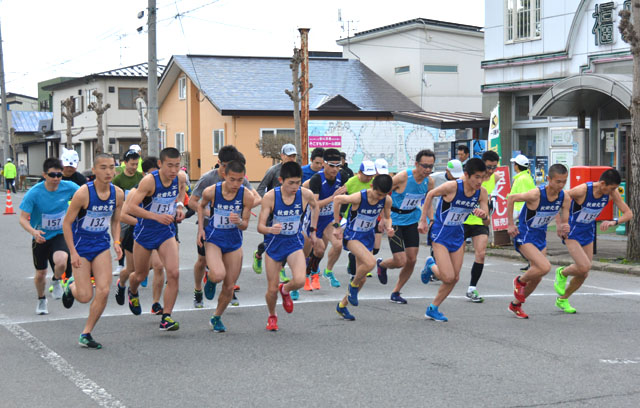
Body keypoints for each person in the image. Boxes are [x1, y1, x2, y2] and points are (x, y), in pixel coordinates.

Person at [61, 154, 124, 349]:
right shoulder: (83, 193)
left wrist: (117, 242)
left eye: (112, 167)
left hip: (100, 245)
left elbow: (115, 221)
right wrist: (73, 252)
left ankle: (86, 333)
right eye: (103, 168)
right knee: (85, 296)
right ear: (94, 170)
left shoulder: (118, 194)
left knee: (104, 290)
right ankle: (70, 286)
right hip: (80, 246)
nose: (108, 172)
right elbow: (67, 223)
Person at [188, 145, 260, 308]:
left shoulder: (240, 178)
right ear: (219, 163)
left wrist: (241, 212)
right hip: (209, 225)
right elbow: (192, 202)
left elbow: (256, 198)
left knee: (232, 260)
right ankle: (198, 290)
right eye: (224, 166)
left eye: (231, 166)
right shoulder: (208, 179)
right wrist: (211, 213)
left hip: (231, 227)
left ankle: (229, 288)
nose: (228, 170)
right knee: (202, 260)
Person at [418, 158, 489, 322]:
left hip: (458, 234)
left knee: (455, 278)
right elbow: (430, 194)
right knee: (447, 277)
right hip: (440, 234)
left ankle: (433, 308)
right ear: (466, 175)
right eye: (476, 177)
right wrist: (423, 220)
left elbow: (487, 220)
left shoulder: (482, 192)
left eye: (482, 177)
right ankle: (431, 264)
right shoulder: (453, 187)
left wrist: (484, 215)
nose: (479, 181)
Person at [554, 169, 632, 313]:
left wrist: (614, 221)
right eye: (612, 188)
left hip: (588, 231)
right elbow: (558, 199)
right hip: (572, 231)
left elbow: (628, 213)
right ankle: (562, 273)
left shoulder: (611, 193)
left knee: (584, 272)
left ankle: (563, 299)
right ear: (603, 183)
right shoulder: (582, 190)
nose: (614, 191)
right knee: (584, 266)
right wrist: (560, 224)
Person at [126, 147, 187, 331]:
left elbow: (181, 192)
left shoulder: (180, 178)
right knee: (140, 274)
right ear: (160, 164)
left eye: (177, 166)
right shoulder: (149, 182)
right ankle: (133, 290)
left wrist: (179, 206)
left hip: (166, 232)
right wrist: (156, 217)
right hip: (145, 233)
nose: (174, 170)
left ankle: (166, 317)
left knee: (174, 273)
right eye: (170, 166)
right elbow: (131, 207)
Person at [257, 161, 319, 331]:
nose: (294, 187)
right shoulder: (271, 197)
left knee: (299, 280)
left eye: (298, 182)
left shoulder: (305, 194)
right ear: (281, 180)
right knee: (271, 289)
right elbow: (259, 227)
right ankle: (272, 315)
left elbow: (316, 206)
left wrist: (313, 230)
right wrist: (270, 229)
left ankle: (285, 290)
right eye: (290, 183)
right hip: (274, 244)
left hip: (293, 242)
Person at [507, 163, 572, 319]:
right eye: (558, 181)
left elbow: (564, 218)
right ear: (548, 179)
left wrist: (563, 226)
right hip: (524, 235)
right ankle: (520, 281)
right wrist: (509, 224)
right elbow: (511, 198)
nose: (561, 185)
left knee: (537, 276)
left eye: (564, 181)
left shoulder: (564, 197)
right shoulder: (536, 194)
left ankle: (515, 305)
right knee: (544, 266)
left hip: (540, 237)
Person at [197, 160, 254, 332]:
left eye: (240, 180)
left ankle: (216, 317)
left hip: (234, 241)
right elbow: (200, 206)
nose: (236, 184)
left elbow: (245, 225)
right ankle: (211, 279)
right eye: (232, 179)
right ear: (224, 176)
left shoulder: (246, 196)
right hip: (214, 238)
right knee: (219, 274)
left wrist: (239, 222)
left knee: (229, 286)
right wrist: (201, 229)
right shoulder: (212, 191)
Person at [18, 158, 80, 315]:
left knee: (61, 262)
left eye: (59, 175)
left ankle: (57, 281)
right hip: (41, 235)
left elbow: (85, 196)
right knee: (40, 274)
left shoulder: (69, 187)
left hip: (60, 233)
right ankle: (41, 299)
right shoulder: (34, 193)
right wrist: (34, 232)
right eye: (52, 175)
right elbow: (23, 219)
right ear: (44, 175)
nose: (56, 179)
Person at [377, 150, 435, 304]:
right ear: (416, 164)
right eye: (425, 166)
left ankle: (396, 292)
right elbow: (383, 194)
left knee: (412, 259)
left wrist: (431, 219)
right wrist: (383, 217)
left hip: (411, 220)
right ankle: (382, 264)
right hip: (394, 220)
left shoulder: (429, 182)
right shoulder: (403, 177)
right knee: (400, 260)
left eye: (431, 166)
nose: (428, 170)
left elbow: (428, 202)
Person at [333, 174, 394, 320]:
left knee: (363, 279)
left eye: (383, 195)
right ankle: (352, 286)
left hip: (368, 237)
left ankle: (342, 306)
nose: (380, 198)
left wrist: (389, 227)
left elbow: (387, 217)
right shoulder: (359, 197)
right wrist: (336, 226)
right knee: (370, 263)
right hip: (353, 236)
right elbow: (337, 200)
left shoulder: (386, 199)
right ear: (372, 187)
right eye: (378, 194)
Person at [114, 157, 166, 315]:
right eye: (153, 174)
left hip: (158, 233)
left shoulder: (166, 187)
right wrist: (144, 220)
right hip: (137, 234)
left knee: (158, 266)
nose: (157, 177)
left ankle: (156, 303)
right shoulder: (137, 191)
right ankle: (122, 283)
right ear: (145, 174)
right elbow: (122, 215)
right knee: (132, 270)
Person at [302, 148, 350, 290]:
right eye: (331, 165)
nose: (335, 169)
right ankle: (304, 275)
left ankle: (327, 271)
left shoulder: (343, 177)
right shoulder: (317, 179)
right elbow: (315, 205)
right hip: (312, 219)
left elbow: (349, 195)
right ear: (324, 164)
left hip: (328, 219)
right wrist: (333, 197)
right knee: (314, 251)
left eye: (338, 165)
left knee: (338, 245)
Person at [462, 150, 502, 303]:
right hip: (463, 220)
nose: (491, 171)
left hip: (480, 220)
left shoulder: (496, 178)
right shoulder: (467, 178)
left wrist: (486, 214)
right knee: (454, 261)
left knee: (481, 253)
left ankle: (472, 288)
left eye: (494, 167)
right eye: (489, 167)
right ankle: (433, 264)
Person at [253, 143, 297, 278]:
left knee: (285, 240)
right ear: (282, 156)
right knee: (271, 241)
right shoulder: (273, 170)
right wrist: (265, 204)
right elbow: (261, 188)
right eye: (288, 156)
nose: (291, 158)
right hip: (272, 213)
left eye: (293, 156)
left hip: (288, 212)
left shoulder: (296, 170)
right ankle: (259, 253)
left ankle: (281, 269)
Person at [418, 159, 464, 283]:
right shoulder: (434, 178)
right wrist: (426, 218)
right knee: (438, 243)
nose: (455, 178)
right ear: (446, 171)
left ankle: (433, 267)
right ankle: (434, 267)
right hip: (436, 215)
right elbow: (427, 194)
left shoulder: (462, 182)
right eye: (453, 175)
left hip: (452, 218)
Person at [341, 161, 377, 277]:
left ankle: (365, 266)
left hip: (368, 218)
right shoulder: (351, 181)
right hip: (350, 218)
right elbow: (340, 195)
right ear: (359, 172)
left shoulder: (374, 183)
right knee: (353, 244)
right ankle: (355, 266)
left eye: (371, 175)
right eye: (367, 175)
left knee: (371, 245)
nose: (369, 178)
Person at [112, 149, 144, 274]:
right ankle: (120, 264)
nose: (134, 167)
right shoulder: (118, 179)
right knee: (121, 237)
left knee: (137, 236)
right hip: (122, 212)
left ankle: (136, 263)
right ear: (125, 163)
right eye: (132, 164)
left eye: (136, 164)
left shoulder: (140, 177)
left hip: (137, 211)